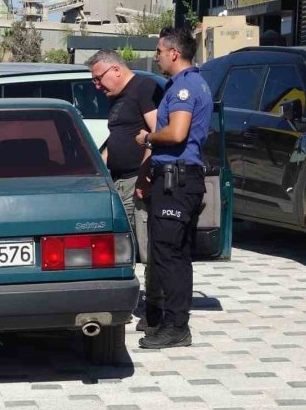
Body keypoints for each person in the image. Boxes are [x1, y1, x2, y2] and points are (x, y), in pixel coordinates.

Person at [134, 27, 213, 349]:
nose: (156, 57)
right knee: (173, 254)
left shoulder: (185, 87)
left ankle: (176, 326)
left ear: (174, 53)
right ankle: (170, 321)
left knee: (170, 256)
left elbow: (177, 133)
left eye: (159, 51)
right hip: (175, 178)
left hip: (178, 182)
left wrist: (148, 138)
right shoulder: (187, 83)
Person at [87, 49, 164, 335]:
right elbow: (115, 143)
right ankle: (127, 301)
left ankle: (155, 309)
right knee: (124, 249)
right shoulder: (118, 99)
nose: (97, 86)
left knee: (146, 247)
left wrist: (145, 176)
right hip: (118, 182)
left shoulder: (143, 88)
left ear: (116, 69)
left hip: (137, 181)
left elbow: (157, 135)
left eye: (98, 78)